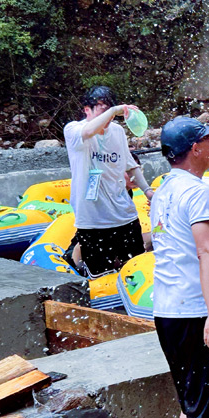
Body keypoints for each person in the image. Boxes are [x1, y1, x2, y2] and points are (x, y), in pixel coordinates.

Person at [150, 116, 209, 418]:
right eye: (208, 141)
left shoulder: (162, 191)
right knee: (206, 415)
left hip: (167, 310)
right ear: (195, 149)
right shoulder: (200, 193)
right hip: (196, 312)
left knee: (192, 406)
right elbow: (206, 252)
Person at [63, 85, 154, 276]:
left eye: (111, 111)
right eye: (102, 109)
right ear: (86, 109)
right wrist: (114, 110)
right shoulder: (73, 130)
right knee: (100, 277)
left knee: (137, 271)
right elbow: (88, 132)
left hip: (124, 214)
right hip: (93, 220)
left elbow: (131, 165)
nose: (109, 117)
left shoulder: (117, 132)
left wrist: (147, 191)